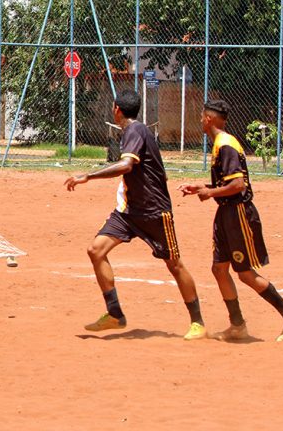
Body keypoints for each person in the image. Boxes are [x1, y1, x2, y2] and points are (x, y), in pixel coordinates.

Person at [65, 89, 206, 340]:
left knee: (174, 264)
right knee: (96, 250)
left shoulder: (135, 130)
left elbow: (127, 165)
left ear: (117, 109)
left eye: (113, 107)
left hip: (154, 210)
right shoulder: (132, 131)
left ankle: (198, 322)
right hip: (129, 211)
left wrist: (88, 176)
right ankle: (115, 314)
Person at [177, 99, 283, 342]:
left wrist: (210, 193)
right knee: (219, 269)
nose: (201, 121)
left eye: (202, 117)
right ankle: (237, 325)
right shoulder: (220, 144)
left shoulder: (226, 145)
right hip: (226, 213)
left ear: (209, 119)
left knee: (245, 273)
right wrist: (201, 187)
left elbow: (237, 185)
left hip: (238, 214)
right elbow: (225, 183)